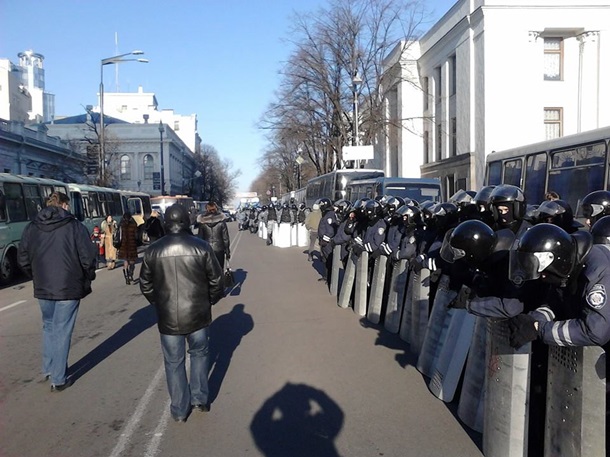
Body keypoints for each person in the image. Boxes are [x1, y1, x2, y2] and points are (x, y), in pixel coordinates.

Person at [139, 204, 224, 422]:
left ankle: (179, 410)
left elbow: (145, 284)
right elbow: (217, 281)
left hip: (168, 318)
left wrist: (160, 304)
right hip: (198, 315)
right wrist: (208, 301)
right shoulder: (202, 247)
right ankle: (200, 400)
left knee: (173, 362)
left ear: (167, 223)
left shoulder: (153, 250)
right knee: (199, 355)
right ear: (187, 221)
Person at [17, 191, 97, 392]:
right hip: (68, 286)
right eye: (67, 205)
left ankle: (48, 368)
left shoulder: (32, 227)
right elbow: (88, 257)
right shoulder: (74, 226)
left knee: (49, 327)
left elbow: (23, 258)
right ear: (63, 205)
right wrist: (87, 276)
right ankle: (59, 378)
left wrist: (36, 275)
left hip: (43, 286)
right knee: (62, 330)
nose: (69, 208)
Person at [197, 201, 231, 270]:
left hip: (207, 249)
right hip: (219, 249)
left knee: (208, 270)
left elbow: (200, 238)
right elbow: (225, 238)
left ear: (207, 209)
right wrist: (227, 250)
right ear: (216, 208)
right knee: (219, 269)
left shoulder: (203, 222)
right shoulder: (221, 222)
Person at [118, 212, 139, 285]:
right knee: (132, 261)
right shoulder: (133, 225)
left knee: (125, 261)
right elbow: (136, 236)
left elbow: (118, 236)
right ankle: (130, 274)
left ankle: (126, 278)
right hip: (132, 245)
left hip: (123, 246)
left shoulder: (121, 225)